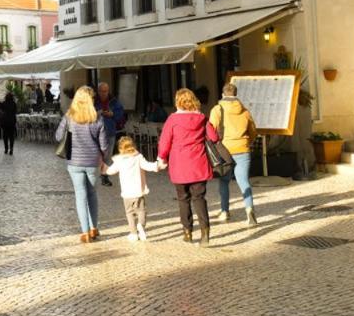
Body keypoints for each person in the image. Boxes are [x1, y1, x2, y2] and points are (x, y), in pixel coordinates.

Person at [157, 87, 219, 247]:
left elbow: (164, 142)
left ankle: (187, 232)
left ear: (178, 102)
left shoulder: (172, 120)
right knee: (199, 198)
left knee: (183, 199)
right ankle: (205, 232)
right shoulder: (202, 118)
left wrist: (161, 158)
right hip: (199, 163)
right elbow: (214, 137)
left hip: (179, 165)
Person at [54, 87, 109, 243]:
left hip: (74, 162)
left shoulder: (69, 117)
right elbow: (104, 145)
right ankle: (93, 228)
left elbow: (58, 137)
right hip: (92, 162)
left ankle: (84, 232)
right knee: (92, 194)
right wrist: (102, 156)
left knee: (80, 195)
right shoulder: (97, 118)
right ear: (91, 100)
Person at [208, 83, 258, 227]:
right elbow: (253, 131)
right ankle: (250, 212)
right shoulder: (245, 111)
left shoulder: (217, 110)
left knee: (224, 181)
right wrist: (247, 142)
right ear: (236, 94)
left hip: (225, 151)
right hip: (243, 149)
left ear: (223, 95)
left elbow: (211, 130)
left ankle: (225, 211)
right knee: (244, 182)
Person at [103, 136, 161, 242]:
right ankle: (141, 226)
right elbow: (147, 166)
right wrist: (157, 166)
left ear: (120, 148)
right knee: (141, 211)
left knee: (129, 213)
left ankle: (133, 233)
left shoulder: (119, 160)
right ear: (133, 146)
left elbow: (110, 171)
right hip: (138, 191)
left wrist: (104, 167)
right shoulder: (138, 157)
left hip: (127, 193)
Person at [96, 82, 126, 186]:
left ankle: (105, 176)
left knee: (108, 155)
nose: (103, 93)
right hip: (96, 133)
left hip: (110, 131)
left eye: (105, 91)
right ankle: (96, 174)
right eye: (101, 91)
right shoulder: (94, 101)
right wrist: (97, 113)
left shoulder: (114, 102)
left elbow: (120, 114)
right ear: (98, 91)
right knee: (98, 154)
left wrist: (112, 114)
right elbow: (88, 114)